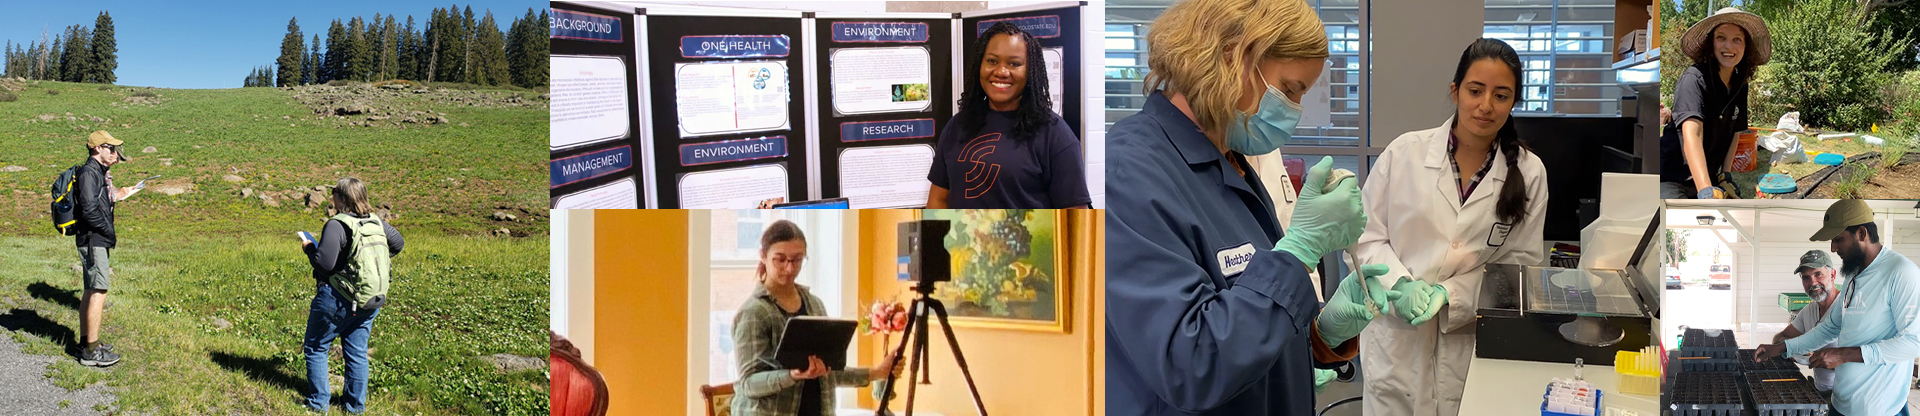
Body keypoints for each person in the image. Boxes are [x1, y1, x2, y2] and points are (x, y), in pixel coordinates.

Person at [1103, 0, 1402, 413]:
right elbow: (1192, 364)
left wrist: (1319, 332)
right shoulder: (1128, 174)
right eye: (1291, 89)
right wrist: (1298, 254)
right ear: (1231, 57)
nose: (1294, 111)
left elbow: (1245, 310)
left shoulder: (1228, 160)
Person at [1352, 38, 1549, 416]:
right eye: (1476, 90)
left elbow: (1519, 268)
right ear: (1455, 90)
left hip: (1468, 342)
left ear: (1514, 102)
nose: (1486, 105)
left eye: (1501, 95)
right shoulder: (1403, 154)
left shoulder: (1529, 172)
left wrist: (1452, 294)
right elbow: (1366, 238)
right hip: (1397, 341)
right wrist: (1400, 285)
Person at [1756, 199, 1920, 416]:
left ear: (1862, 233)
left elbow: (1913, 343)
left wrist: (1845, 354)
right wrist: (1783, 348)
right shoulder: (1853, 273)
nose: (1833, 248)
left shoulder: (1901, 272)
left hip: (1878, 408)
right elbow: (1830, 327)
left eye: (1838, 239)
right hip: (1842, 403)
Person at [731, 220, 901, 416]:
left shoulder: (814, 305)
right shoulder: (754, 312)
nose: (789, 268)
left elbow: (828, 373)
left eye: (797, 259)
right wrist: (792, 375)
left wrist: (877, 372)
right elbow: (748, 384)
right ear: (763, 256)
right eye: (780, 259)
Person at [926, 22, 1090, 209]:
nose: (1001, 72)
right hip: (962, 238)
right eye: (992, 61)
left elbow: (1075, 217)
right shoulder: (958, 125)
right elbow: (938, 200)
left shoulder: (1054, 134)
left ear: (1030, 72)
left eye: (1014, 64)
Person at [300, 177, 404, 413]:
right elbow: (397, 243)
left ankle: (318, 404)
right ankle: (354, 407)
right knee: (357, 352)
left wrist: (309, 248)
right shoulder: (376, 221)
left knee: (316, 347)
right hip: (369, 299)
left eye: (334, 191)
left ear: (342, 197)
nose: (331, 196)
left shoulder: (337, 224)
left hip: (337, 298)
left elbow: (323, 264)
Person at [1659, 7, 1771, 199]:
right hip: (1671, 178)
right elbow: (1692, 135)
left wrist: (1724, 174)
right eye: (1721, 38)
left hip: (1707, 177)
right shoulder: (1694, 80)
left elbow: (1735, 132)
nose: (1729, 46)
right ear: (1710, 43)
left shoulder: (1740, 85)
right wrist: (1705, 191)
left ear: (1746, 47)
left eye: (1737, 39)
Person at [72, 130, 137, 367]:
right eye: (111, 148)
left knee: (91, 290)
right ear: (97, 148)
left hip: (92, 239)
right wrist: (108, 231)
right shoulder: (90, 173)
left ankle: (87, 342)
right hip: (93, 239)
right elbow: (89, 211)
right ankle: (90, 352)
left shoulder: (96, 172)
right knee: (99, 291)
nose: (115, 153)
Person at [1766, 250, 1840, 399]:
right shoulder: (1809, 311)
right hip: (1821, 392)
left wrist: (1838, 361)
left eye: (1818, 274)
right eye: (1806, 277)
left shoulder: (1849, 309)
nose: (1812, 283)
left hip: (1848, 397)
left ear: (1832, 275)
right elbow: (1781, 337)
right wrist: (1792, 347)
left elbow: (1873, 359)